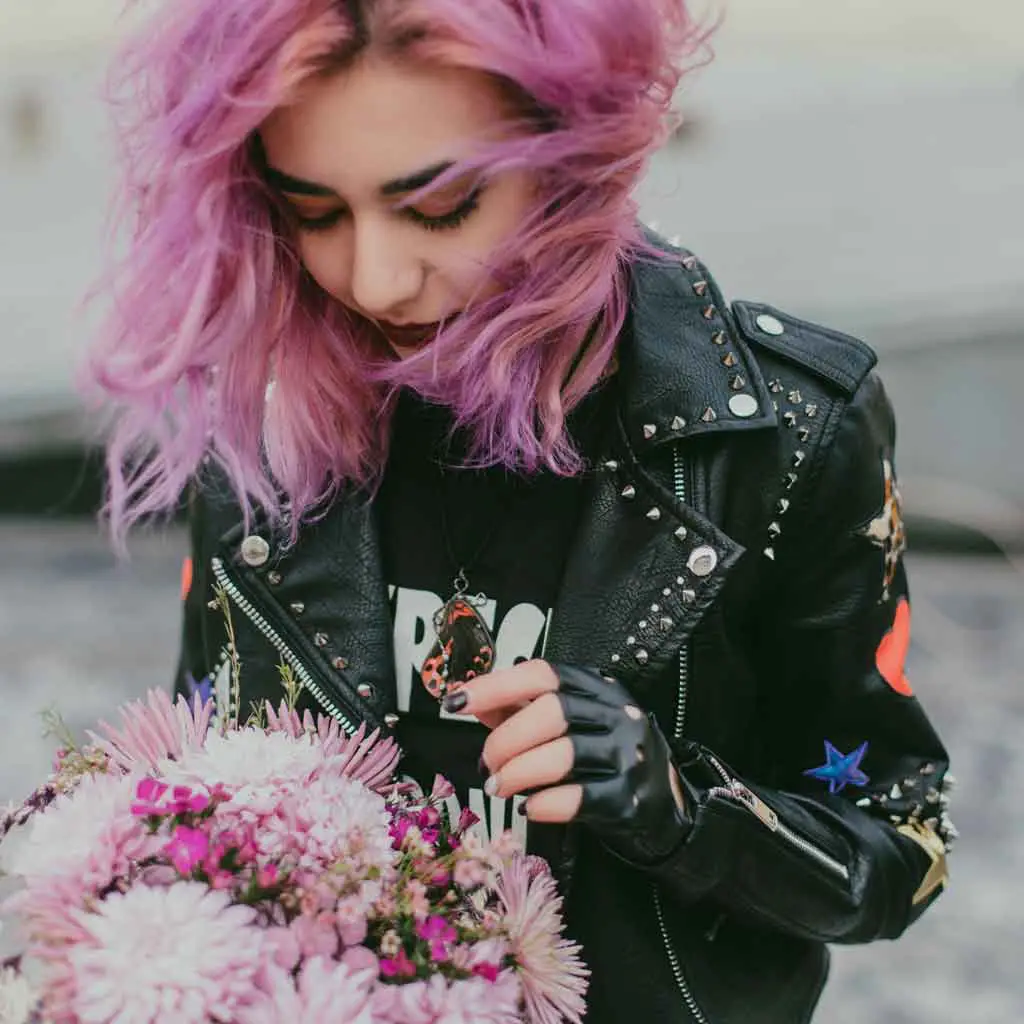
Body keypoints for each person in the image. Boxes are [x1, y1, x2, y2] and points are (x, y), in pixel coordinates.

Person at [85, 0, 956, 1020]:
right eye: (312, 211)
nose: (372, 275)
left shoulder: (785, 430)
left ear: (572, 151)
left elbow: (898, 840)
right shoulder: (265, 409)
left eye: (440, 204)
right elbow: (192, 784)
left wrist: (679, 805)